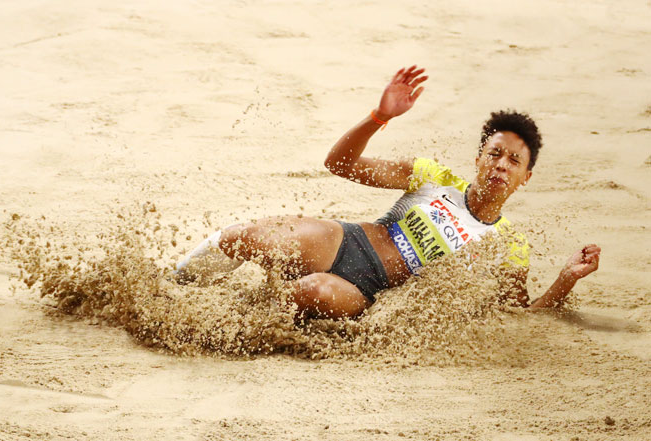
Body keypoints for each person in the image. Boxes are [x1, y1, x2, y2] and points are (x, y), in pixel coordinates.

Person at [175, 65, 601, 319]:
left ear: (526, 177)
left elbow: (519, 317)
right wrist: (379, 116)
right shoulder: (432, 178)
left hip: (373, 292)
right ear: (478, 158)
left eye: (514, 161)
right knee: (242, 236)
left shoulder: (508, 246)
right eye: (495, 153)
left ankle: (226, 318)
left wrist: (565, 280)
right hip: (350, 240)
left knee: (312, 292)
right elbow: (338, 164)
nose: (501, 166)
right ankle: (170, 289)